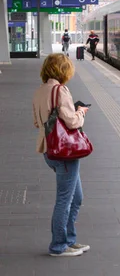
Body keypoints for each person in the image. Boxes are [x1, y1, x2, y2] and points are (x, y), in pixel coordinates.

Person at [32, 54, 90, 257]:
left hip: (49, 151)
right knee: (65, 201)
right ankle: (58, 246)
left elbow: (38, 122)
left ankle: (69, 240)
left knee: (76, 198)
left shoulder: (40, 91)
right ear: (63, 70)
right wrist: (81, 112)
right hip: (64, 153)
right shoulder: (60, 90)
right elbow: (73, 122)